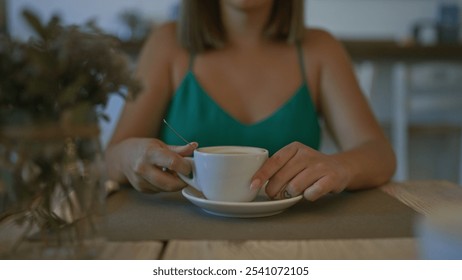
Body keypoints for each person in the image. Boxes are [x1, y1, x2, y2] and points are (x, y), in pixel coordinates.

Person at [105, 0, 396, 201]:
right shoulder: (167, 44)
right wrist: (128, 157)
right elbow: (108, 160)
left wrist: (340, 168)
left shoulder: (320, 49)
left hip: (296, 240)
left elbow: (380, 156)